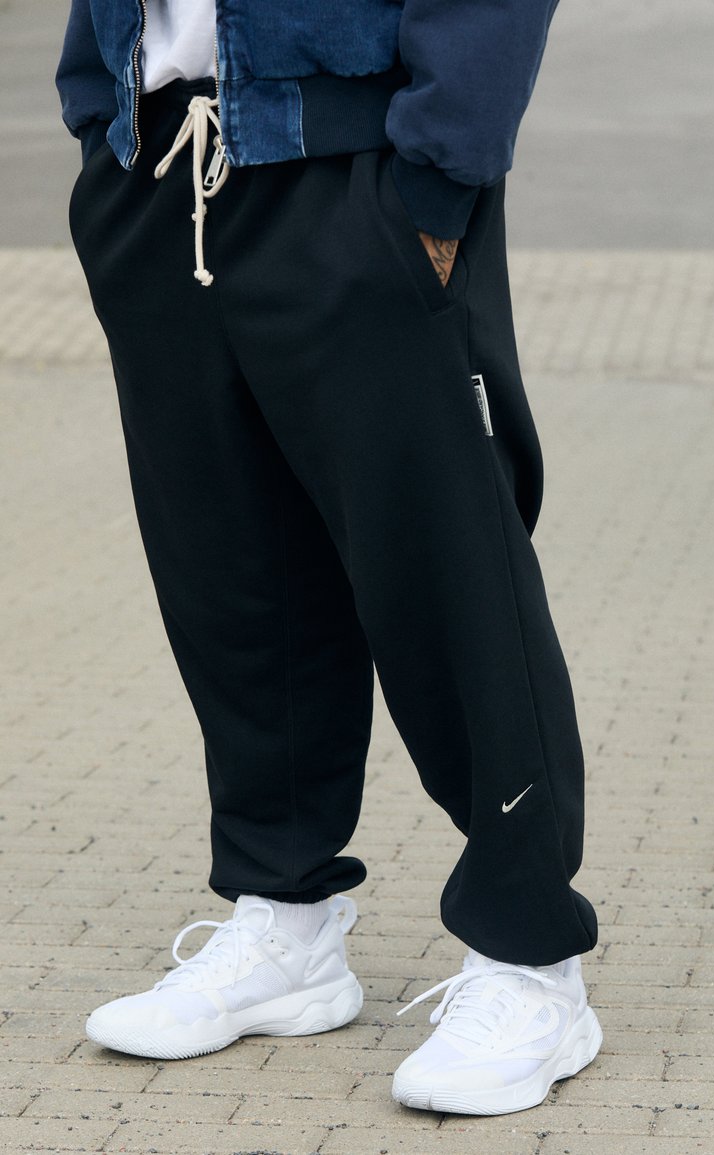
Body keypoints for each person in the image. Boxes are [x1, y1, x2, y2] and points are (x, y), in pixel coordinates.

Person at [57, 0, 602, 1116]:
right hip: (155, 162)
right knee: (228, 574)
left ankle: (531, 959)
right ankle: (285, 921)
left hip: (355, 172)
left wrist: (436, 180)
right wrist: (93, 106)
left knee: (447, 575)